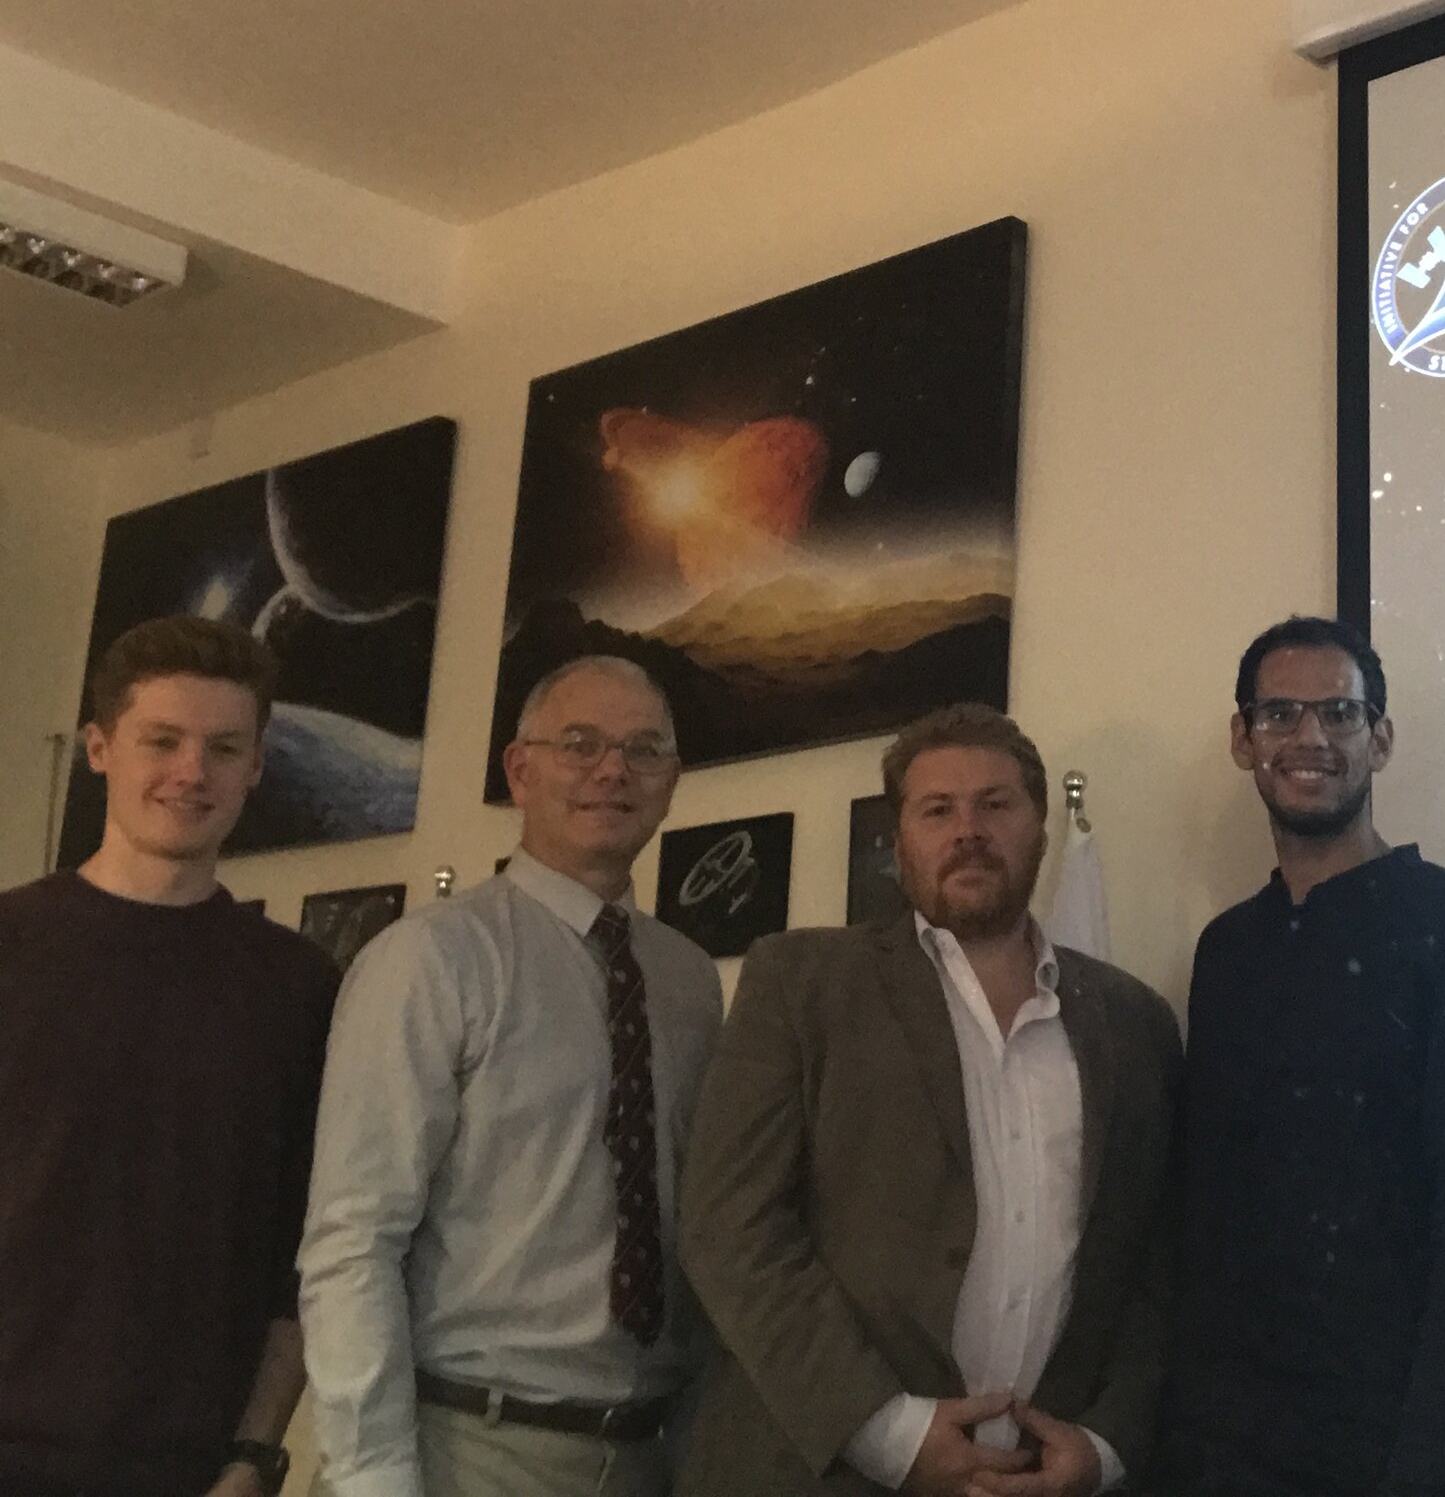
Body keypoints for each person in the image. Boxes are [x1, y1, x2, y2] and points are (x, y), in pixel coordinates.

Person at [675, 703, 1181, 1497]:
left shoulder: (1137, 1022)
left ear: (1040, 826)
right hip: (814, 1471)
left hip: (1037, 1479)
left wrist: (1106, 1444)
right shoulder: (801, 983)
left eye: (995, 804)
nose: (968, 831)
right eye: (937, 810)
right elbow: (727, 1227)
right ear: (899, 839)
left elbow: (1153, 1263)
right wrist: (886, 1434)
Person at [299, 655, 723, 1497]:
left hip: (648, 1454)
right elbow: (354, 1237)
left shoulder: (689, 980)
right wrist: (371, 1475)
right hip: (462, 1448)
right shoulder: (432, 960)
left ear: (672, 781)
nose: (613, 769)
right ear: (520, 771)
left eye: (644, 750)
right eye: (580, 743)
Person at [1160, 617, 1445, 1497]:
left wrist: (1431, 1465)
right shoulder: (1227, 951)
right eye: (1280, 714)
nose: (1310, 737)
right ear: (1243, 740)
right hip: (1222, 1443)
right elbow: (1209, 1209)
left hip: (1396, 1446)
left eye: (1339, 713)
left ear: (1380, 740)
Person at [0, 615, 338, 1497]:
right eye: (163, 740)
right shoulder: (10, 944)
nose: (193, 771)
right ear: (99, 748)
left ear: (257, 766)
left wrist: (256, 1455)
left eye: (225, 748)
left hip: (189, 1469)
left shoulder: (300, 987)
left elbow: (305, 1249)